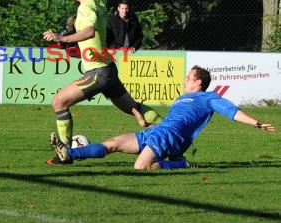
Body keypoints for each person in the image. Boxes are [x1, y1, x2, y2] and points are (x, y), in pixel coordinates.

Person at [42, 0, 160, 165]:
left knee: (59, 102)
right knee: (135, 108)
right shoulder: (98, 1)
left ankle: (65, 153)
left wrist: (61, 39)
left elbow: (88, 31)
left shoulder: (86, 8)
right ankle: (172, 133)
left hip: (99, 72)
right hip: (108, 69)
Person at [50, 65, 276, 169]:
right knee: (113, 144)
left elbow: (231, 111)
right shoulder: (181, 98)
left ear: (199, 82)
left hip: (168, 136)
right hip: (158, 132)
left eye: (189, 78)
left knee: (141, 167)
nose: (184, 81)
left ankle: (179, 164)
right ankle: (69, 153)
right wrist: (141, 117)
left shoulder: (208, 98)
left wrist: (256, 123)